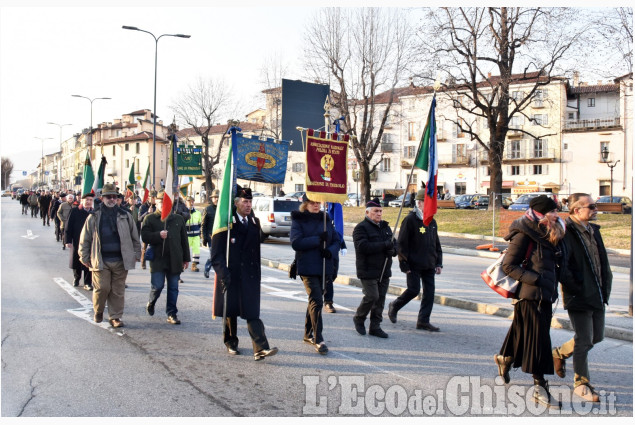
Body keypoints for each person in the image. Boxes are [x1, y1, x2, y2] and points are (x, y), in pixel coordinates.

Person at [494, 195, 566, 409]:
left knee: (520, 332)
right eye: (552, 211)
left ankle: (505, 358)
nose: (556, 214)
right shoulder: (524, 233)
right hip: (530, 295)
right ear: (541, 213)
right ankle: (540, 388)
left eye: (556, 210)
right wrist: (537, 280)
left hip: (546, 295)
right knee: (540, 342)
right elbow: (509, 266)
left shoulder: (555, 233)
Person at [552, 193, 612, 402]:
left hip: (597, 291)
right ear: (577, 210)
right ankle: (581, 383)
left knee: (597, 337)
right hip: (579, 293)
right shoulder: (566, 232)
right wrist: (575, 286)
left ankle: (558, 354)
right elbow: (563, 266)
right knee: (584, 339)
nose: (595, 209)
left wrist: (605, 284)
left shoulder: (593, 230)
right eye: (591, 206)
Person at [211, 187, 278, 361]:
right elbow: (216, 253)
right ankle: (231, 342)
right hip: (231, 274)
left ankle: (260, 348)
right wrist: (222, 273)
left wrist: (258, 275)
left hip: (249, 275)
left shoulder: (254, 223)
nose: (248, 205)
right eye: (245, 202)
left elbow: (255, 253)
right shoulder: (226, 224)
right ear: (236, 203)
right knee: (231, 310)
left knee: (252, 312)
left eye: (250, 202)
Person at [79, 184, 141, 328]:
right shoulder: (94, 216)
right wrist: (84, 256)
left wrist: (137, 253)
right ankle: (99, 310)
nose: (112, 199)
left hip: (120, 260)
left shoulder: (125, 215)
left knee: (118, 291)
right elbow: (85, 238)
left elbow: (135, 236)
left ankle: (115, 317)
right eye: (109, 197)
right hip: (100, 260)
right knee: (102, 288)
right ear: (102, 198)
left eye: (114, 197)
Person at [290, 195, 340, 355]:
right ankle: (319, 338)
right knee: (317, 300)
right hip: (307, 266)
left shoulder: (326, 219)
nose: (316, 205)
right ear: (305, 204)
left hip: (324, 266)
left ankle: (307, 333)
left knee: (314, 300)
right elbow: (296, 243)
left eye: (318, 202)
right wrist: (317, 239)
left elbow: (337, 241)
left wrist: (329, 251)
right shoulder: (299, 220)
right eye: (312, 202)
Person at [388, 189, 443, 332]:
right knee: (414, 290)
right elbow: (402, 244)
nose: (431, 205)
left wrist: (439, 262)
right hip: (413, 264)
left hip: (429, 263)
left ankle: (423, 321)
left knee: (429, 294)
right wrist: (403, 263)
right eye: (428, 202)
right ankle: (395, 305)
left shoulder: (431, 221)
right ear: (419, 203)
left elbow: (436, 243)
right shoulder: (410, 220)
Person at [142, 189, 190, 325]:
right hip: (158, 259)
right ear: (156, 203)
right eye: (160, 202)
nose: (163, 204)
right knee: (157, 286)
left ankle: (172, 313)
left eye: (166, 202)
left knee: (173, 288)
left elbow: (184, 240)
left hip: (175, 259)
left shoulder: (178, 219)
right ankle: (151, 302)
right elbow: (144, 236)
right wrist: (158, 235)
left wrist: (186, 258)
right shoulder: (150, 218)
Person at [352, 198, 396, 338]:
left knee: (380, 300)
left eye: (380, 211)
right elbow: (363, 247)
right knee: (372, 296)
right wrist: (385, 246)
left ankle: (375, 326)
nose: (379, 214)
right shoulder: (361, 228)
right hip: (367, 269)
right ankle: (359, 317)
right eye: (376, 211)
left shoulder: (386, 227)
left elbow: (395, 245)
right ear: (367, 212)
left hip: (384, 269)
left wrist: (393, 251)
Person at [65, 192, 95, 290]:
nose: (89, 202)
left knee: (89, 261)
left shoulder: (94, 212)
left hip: (90, 241)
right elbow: (68, 226)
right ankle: (77, 278)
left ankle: (87, 282)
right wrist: (68, 240)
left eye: (90, 200)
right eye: (87, 200)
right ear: (82, 200)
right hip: (77, 240)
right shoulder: (75, 211)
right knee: (76, 261)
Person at [201, 189, 219, 278]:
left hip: (220, 235)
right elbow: (203, 225)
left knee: (218, 254)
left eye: (218, 197)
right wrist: (204, 237)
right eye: (215, 197)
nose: (216, 199)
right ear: (212, 198)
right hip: (210, 236)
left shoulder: (223, 209)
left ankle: (219, 271)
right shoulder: (207, 209)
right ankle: (207, 269)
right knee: (213, 254)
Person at [138, 191, 157, 270]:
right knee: (145, 247)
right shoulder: (143, 207)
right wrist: (147, 212)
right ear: (149, 198)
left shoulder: (157, 206)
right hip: (146, 228)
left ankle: (154, 263)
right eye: (152, 197)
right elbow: (139, 218)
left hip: (155, 229)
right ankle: (143, 261)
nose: (154, 199)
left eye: (155, 198)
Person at [185, 196, 202, 272]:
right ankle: (183, 263)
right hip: (187, 235)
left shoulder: (197, 213)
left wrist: (200, 233)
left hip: (196, 235)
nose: (191, 203)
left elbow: (199, 224)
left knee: (196, 250)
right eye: (189, 201)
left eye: (192, 201)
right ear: (186, 203)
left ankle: (194, 265)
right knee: (185, 250)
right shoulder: (184, 212)